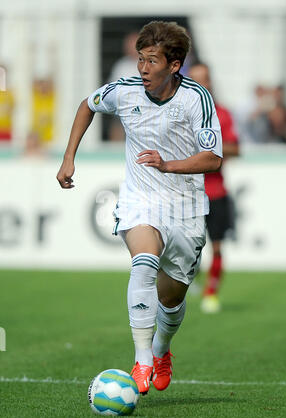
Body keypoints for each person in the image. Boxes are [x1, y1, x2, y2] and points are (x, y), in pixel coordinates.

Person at [56, 21, 223, 395]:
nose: (143, 69)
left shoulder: (197, 98)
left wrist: (168, 164)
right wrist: (69, 158)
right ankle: (143, 359)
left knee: (172, 296)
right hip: (140, 198)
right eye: (140, 59)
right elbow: (88, 105)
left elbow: (212, 159)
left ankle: (162, 350)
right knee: (143, 262)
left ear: (174, 65)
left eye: (151, 61)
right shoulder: (124, 92)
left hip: (185, 207)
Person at [188, 62, 239, 313]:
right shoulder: (180, 113)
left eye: (203, 78)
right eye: (193, 78)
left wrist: (209, 149)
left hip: (215, 192)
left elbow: (235, 148)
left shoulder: (222, 114)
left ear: (209, 82)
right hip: (186, 192)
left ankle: (211, 292)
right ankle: (188, 284)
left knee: (217, 245)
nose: (199, 83)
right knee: (185, 246)